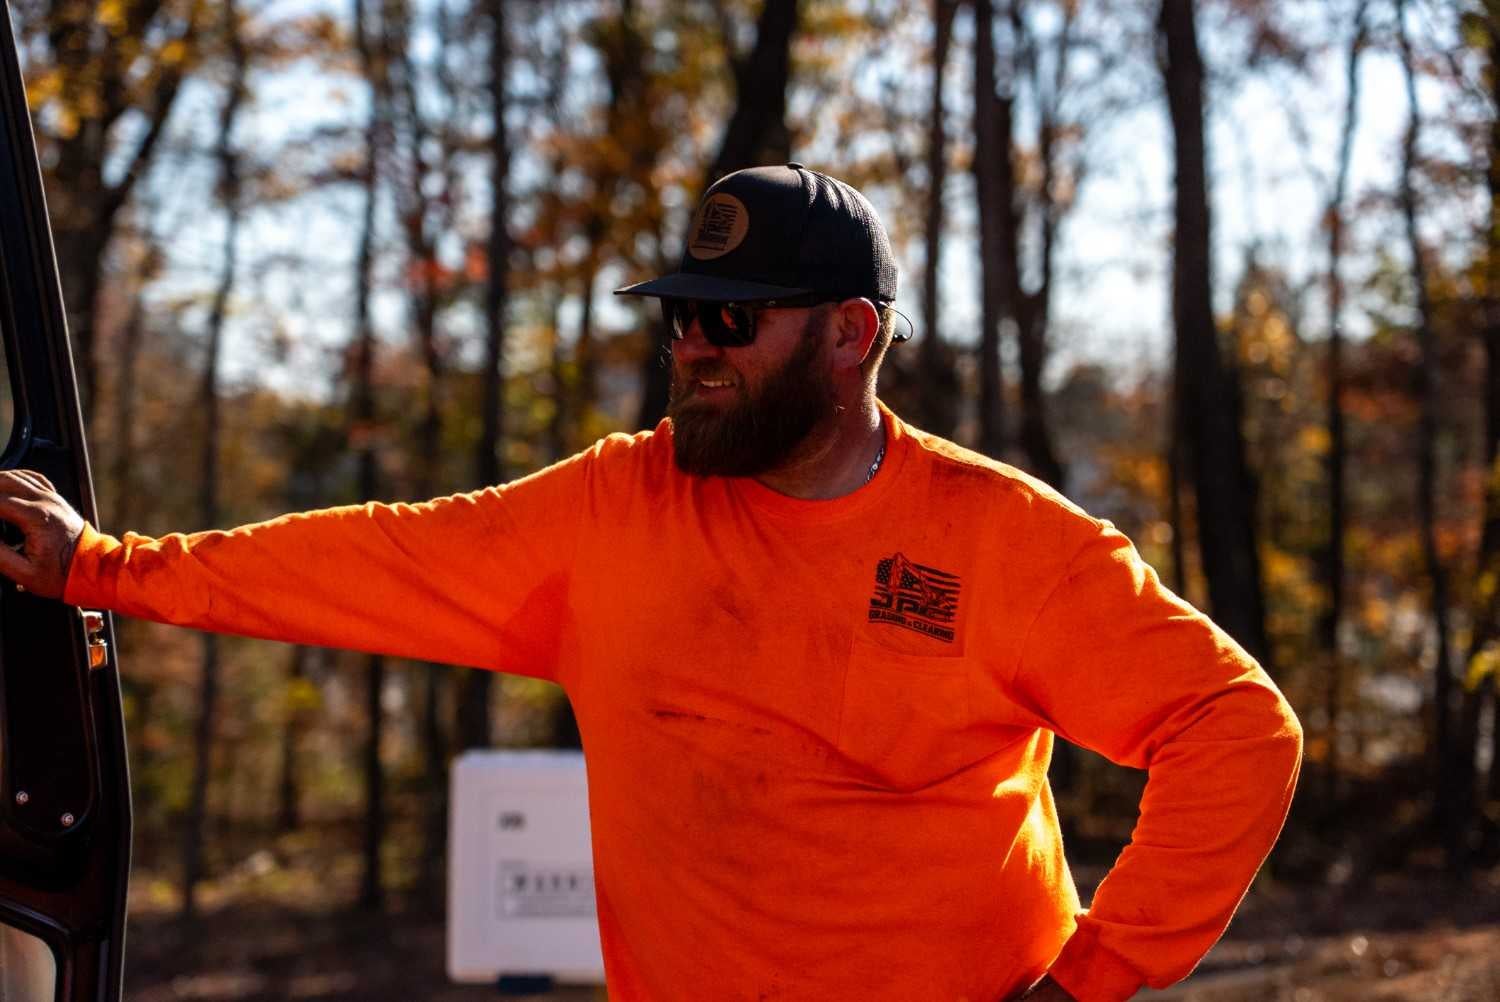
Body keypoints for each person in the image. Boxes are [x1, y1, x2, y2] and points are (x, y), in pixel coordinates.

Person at [0, 164, 1301, 1002]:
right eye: (681, 314)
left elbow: (1234, 726)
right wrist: (101, 566)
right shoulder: (615, 511)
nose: (693, 345)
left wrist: (1093, 982)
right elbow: (368, 557)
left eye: (732, 318)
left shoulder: (1003, 537)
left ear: (851, 336)